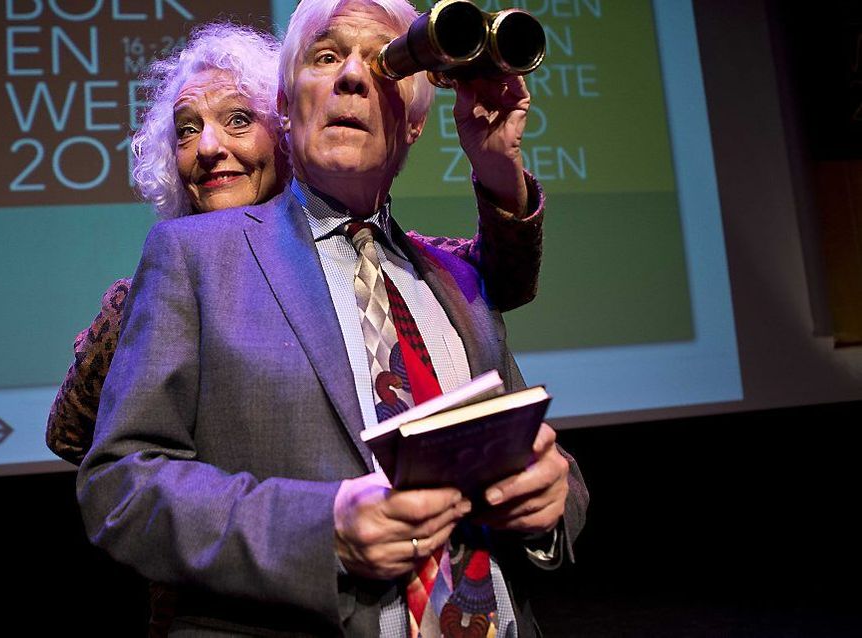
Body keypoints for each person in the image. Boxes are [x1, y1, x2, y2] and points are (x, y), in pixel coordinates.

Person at [76, 0, 585, 635]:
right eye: (325, 55)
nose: (351, 75)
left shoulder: (455, 278)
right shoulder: (195, 260)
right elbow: (120, 485)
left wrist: (551, 499)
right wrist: (325, 530)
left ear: (414, 125)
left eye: (382, 62)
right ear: (285, 111)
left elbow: (552, 468)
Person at [46, 23, 545, 469]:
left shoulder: (373, 252)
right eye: (187, 130)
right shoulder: (149, 293)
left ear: (284, 125)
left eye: (239, 119)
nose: (207, 148)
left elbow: (497, 278)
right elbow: (83, 442)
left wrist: (499, 172)